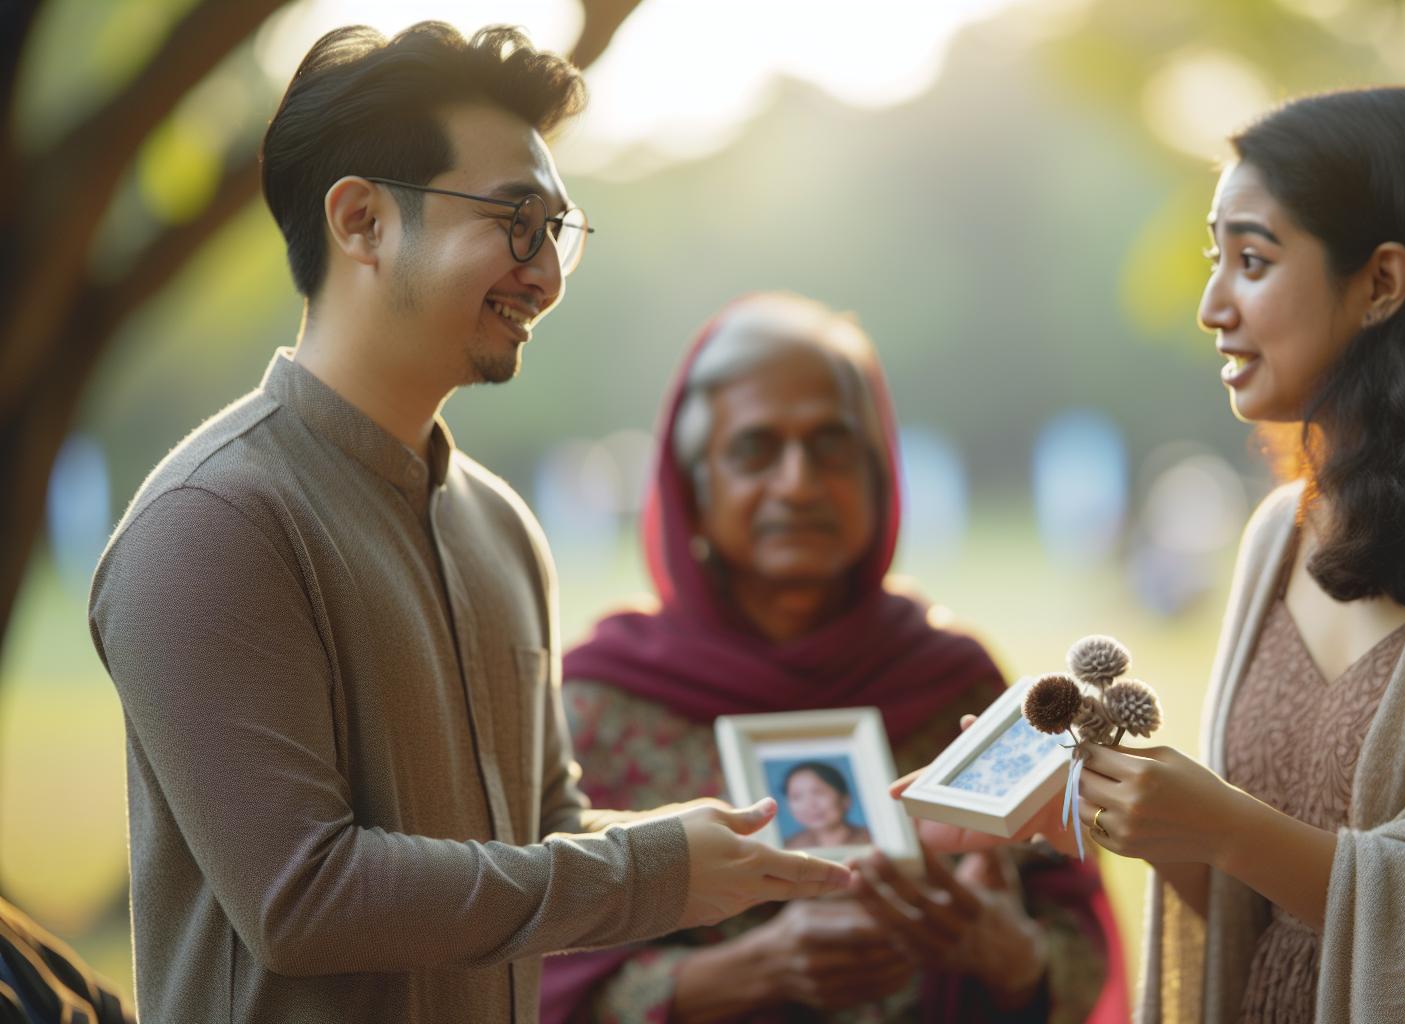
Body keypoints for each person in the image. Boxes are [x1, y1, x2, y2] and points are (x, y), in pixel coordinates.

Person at [86, 25, 847, 1024]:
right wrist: (650, 867)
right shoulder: (212, 523)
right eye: (516, 223)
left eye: (558, 231)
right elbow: (303, 899)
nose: (546, 274)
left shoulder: (503, 528)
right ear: (361, 221)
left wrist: (735, 841)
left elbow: (543, 830)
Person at [913, 86, 1405, 1022]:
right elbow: (1260, 911)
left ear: (1382, 284)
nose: (1212, 306)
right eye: (1217, 260)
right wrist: (1118, 813)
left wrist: (1227, 826)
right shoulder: (1278, 535)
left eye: (1252, 260)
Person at [541, 293, 1129, 1024]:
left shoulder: (954, 685)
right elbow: (527, 968)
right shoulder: (597, 705)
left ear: (880, 473)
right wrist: (744, 973)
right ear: (694, 484)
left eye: (831, 447)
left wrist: (1010, 957)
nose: (798, 483)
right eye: (755, 450)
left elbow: (1074, 941)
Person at [779, 762, 873, 850]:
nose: (810, 805)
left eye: (819, 793)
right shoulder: (788, 847)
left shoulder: (874, 838)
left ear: (845, 799)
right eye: (797, 797)